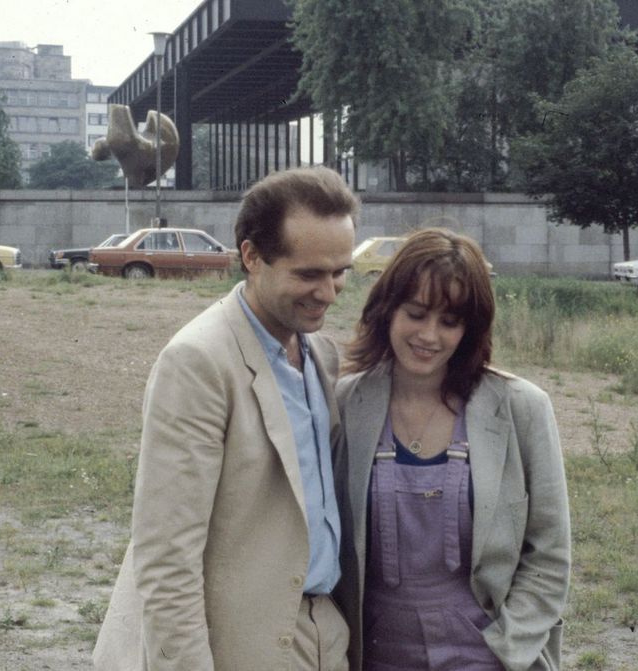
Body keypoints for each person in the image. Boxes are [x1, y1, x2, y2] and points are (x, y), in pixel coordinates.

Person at [94, 166, 359, 671]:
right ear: (251, 257)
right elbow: (166, 558)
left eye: (339, 271)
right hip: (235, 647)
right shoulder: (198, 362)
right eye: (308, 274)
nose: (328, 292)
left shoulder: (321, 355)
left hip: (324, 637)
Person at [334, 229, 571, 670]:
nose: (429, 335)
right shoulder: (346, 405)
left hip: (488, 657)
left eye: (449, 321)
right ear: (387, 309)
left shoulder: (522, 409)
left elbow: (550, 555)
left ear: (471, 328)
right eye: (417, 313)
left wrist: (505, 649)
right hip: (376, 655)